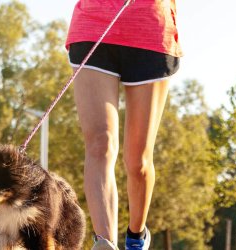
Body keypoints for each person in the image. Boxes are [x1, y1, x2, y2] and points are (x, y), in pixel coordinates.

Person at [66, 0, 181, 249]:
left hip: (149, 31)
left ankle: (136, 237)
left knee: (138, 162)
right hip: (93, 26)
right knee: (101, 145)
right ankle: (105, 242)